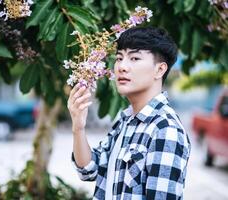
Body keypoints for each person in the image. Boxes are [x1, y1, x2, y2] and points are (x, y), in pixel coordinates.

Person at [67, 27, 191, 200]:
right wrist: (78, 127)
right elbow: (89, 169)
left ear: (160, 70)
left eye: (134, 58)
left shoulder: (165, 130)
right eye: (119, 58)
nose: (122, 67)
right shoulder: (126, 121)